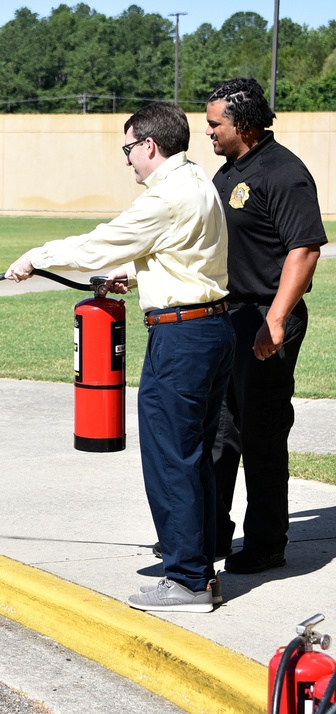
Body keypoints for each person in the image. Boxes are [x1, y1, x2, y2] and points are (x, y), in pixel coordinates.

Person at [6, 102, 233, 613]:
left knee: (170, 455)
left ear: (149, 146)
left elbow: (100, 243)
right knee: (193, 455)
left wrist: (35, 258)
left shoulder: (164, 196)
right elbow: (186, 254)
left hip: (182, 339)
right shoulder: (198, 182)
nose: (127, 160)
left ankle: (187, 582)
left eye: (129, 149)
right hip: (211, 327)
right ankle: (199, 566)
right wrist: (132, 278)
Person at [205, 78, 328, 574]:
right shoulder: (227, 172)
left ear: (245, 124)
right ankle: (210, 532)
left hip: (265, 320)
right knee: (219, 433)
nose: (208, 131)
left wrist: (274, 320)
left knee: (260, 434)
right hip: (228, 318)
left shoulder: (283, 173)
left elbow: (305, 249)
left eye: (215, 123)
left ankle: (266, 543)